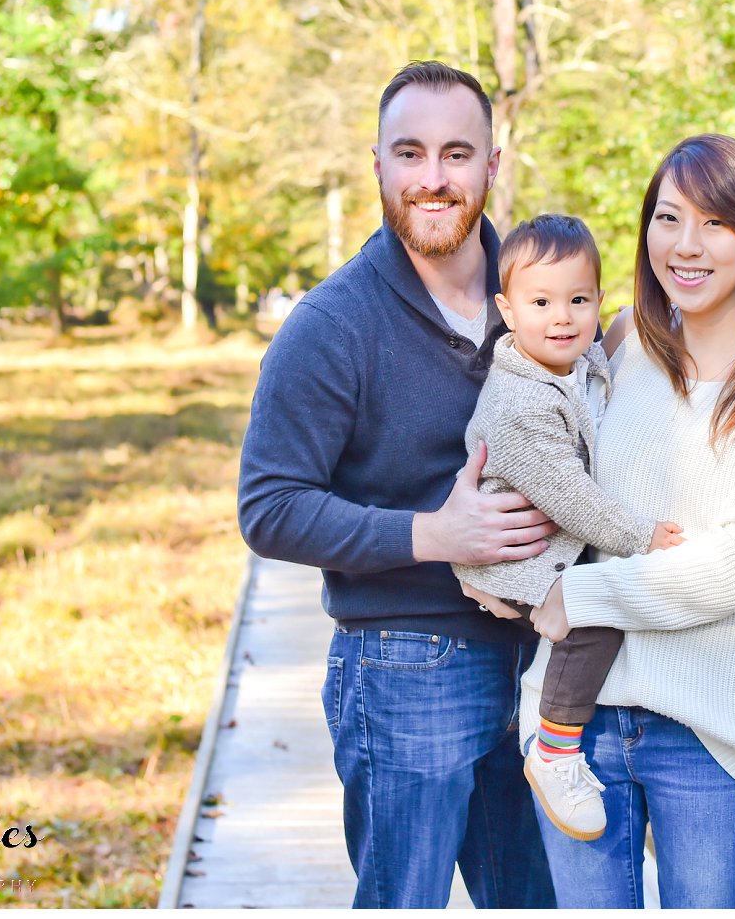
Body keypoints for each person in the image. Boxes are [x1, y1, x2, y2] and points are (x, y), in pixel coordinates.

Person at [237, 60, 560, 909]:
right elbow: (269, 507)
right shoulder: (333, 325)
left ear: (494, 165)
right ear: (376, 163)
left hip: (541, 663)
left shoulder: (537, 294)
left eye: (457, 154)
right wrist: (432, 534)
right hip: (406, 665)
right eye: (409, 153)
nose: (432, 178)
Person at [520, 133, 735, 908]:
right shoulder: (624, 342)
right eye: (668, 218)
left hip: (708, 736)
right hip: (576, 726)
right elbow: (563, 480)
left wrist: (584, 597)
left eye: (715, 223)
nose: (686, 245)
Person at [451, 213, 685, 842]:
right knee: (595, 618)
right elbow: (570, 498)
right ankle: (555, 747)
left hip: (554, 547)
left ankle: (548, 709)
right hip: (515, 560)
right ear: (506, 308)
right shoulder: (519, 402)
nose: (562, 317)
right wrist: (641, 536)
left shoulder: (566, 362)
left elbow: (598, 366)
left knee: (598, 604)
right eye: (542, 302)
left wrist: (631, 326)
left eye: (578, 301)